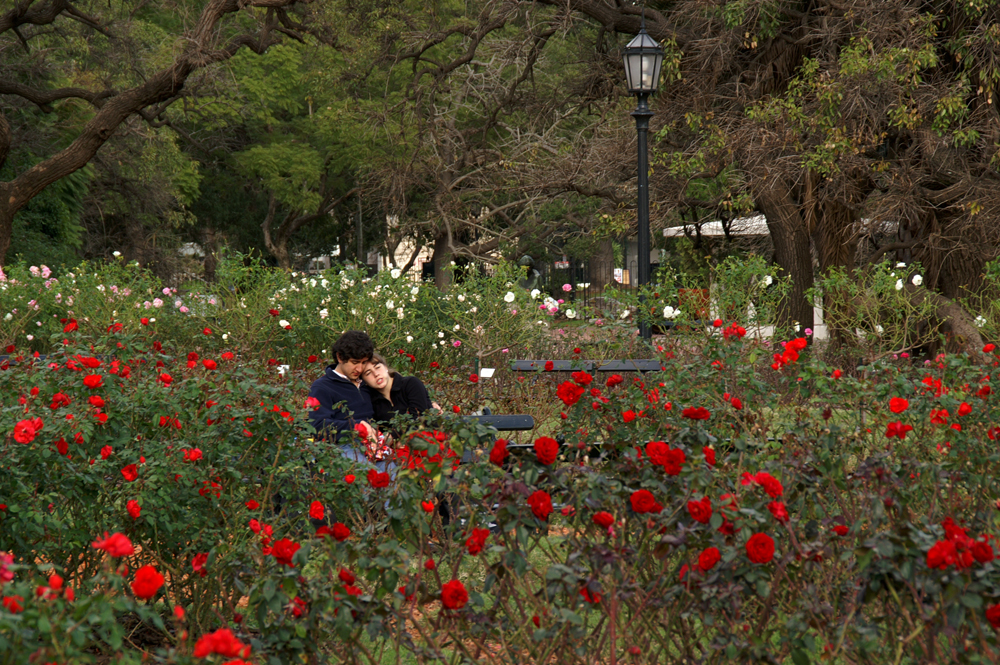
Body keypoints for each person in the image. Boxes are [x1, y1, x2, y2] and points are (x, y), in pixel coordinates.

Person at [307, 330, 380, 452]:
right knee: (366, 471)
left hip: (374, 442)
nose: (360, 369)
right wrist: (357, 427)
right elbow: (318, 427)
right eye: (355, 362)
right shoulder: (322, 387)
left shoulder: (367, 382)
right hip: (342, 446)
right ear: (340, 357)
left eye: (364, 362)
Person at [360, 353, 435, 426]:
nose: (376, 374)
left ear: (385, 367)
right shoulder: (370, 401)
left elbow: (419, 420)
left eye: (377, 367)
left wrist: (392, 435)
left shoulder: (410, 384)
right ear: (363, 380)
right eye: (368, 373)